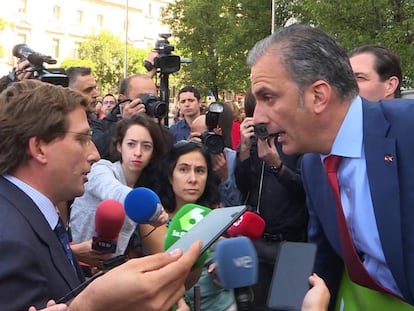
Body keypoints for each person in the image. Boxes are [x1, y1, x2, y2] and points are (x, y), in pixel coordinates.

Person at [247, 24, 414, 308]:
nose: (257, 117)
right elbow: (322, 262)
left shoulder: (408, 130)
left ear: (318, 96)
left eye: (268, 98)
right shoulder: (313, 166)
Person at [0, 79, 202, 311]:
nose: (94, 154)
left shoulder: (29, 214)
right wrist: (91, 304)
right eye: (82, 139)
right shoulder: (9, 241)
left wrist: (77, 259)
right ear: (39, 148)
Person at [235, 86, 308, 310]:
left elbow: (306, 191)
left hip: (294, 244)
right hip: (256, 242)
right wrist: (245, 152)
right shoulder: (253, 143)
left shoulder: (299, 141)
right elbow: (243, 187)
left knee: (289, 305)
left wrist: (278, 166)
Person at [70, 113, 167, 261]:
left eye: (146, 146)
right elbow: (114, 191)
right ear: (119, 146)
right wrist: (149, 209)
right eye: (131, 144)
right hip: (79, 264)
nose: (138, 152)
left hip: (109, 268)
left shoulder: (144, 186)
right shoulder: (100, 169)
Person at [156, 141, 236, 311]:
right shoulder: (155, 219)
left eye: (200, 171)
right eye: (184, 169)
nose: (193, 179)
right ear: (170, 176)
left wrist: (223, 263)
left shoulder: (215, 213)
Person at [190, 113, 242, 207]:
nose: (208, 141)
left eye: (210, 135)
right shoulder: (187, 160)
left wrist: (225, 178)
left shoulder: (233, 159)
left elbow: (237, 205)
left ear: (219, 132)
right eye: (202, 137)